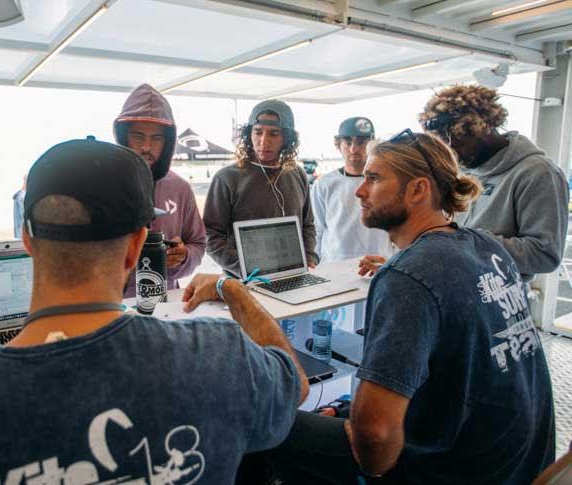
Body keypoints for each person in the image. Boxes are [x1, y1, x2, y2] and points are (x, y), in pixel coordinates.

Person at [0, 139, 307, 484]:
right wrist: (232, 289)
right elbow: (295, 385)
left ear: (27, 240)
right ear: (137, 247)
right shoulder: (221, 356)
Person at [244, 130, 554, 484]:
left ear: (418, 189)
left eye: (373, 179)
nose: (360, 191)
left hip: (448, 472)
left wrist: (232, 291)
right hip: (518, 465)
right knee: (341, 410)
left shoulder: (409, 276)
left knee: (258, 417)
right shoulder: (486, 247)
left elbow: (374, 440)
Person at [421, 84, 568, 281]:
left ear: (483, 127)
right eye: (446, 146)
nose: (453, 154)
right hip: (455, 287)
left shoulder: (538, 173)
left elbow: (544, 255)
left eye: (459, 143)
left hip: (498, 299)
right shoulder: (464, 169)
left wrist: (467, 241)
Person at [204, 100, 317, 277]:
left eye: (274, 134)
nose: (264, 141)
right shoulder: (227, 178)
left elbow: (307, 224)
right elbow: (210, 236)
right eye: (257, 132)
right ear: (249, 134)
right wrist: (246, 269)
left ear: (287, 138)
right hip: (243, 283)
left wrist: (309, 256)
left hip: (294, 278)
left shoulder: (298, 175)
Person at [113, 83, 206, 296]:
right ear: (123, 136)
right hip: (115, 303)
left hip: (167, 302)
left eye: (156, 138)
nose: (146, 146)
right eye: (138, 136)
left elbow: (198, 244)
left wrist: (184, 256)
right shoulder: (103, 185)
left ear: (168, 142)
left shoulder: (180, 188)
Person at [312, 117, 392, 263]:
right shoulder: (324, 184)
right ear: (338, 145)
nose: (354, 149)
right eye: (348, 142)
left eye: (361, 142)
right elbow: (317, 229)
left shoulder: (388, 182)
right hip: (334, 266)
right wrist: (315, 263)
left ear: (371, 145)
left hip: (378, 264)